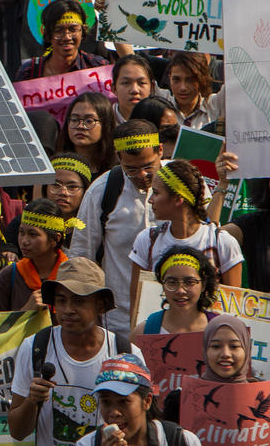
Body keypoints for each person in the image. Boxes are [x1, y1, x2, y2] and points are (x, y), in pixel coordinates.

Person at [8, 257, 142, 446]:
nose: (68, 310)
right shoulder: (35, 347)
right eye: (61, 300)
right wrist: (32, 401)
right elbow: (17, 432)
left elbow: (139, 432)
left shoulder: (126, 354)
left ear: (100, 305)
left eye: (79, 301)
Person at [70, 120, 163, 338]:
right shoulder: (101, 192)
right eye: (131, 169)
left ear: (160, 151)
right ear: (118, 156)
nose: (141, 176)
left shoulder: (183, 183)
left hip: (175, 319)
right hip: (118, 322)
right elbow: (81, 257)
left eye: (148, 166)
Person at [73, 354, 213, 446]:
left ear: (147, 401)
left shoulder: (182, 442)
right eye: (106, 402)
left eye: (123, 401)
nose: (114, 412)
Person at [128, 160, 243, 310]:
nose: (150, 200)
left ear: (178, 199)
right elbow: (137, 305)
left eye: (156, 193)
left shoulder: (223, 242)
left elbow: (234, 309)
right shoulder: (146, 240)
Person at [0, 198, 77, 311]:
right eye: (21, 232)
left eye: (33, 234)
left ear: (55, 239)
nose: (24, 241)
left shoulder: (74, 275)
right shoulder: (9, 276)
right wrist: (27, 311)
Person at [15, 0, 109, 81]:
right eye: (59, 30)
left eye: (73, 29)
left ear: (83, 31)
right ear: (47, 33)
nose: (67, 37)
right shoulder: (29, 71)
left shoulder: (97, 66)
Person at [138, 247, 219, 335]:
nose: (180, 290)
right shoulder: (144, 331)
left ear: (203, 285)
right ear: (162, 285)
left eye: (189, 282)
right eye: (172, 282)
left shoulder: (220, 330)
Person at [55, 93, 117, 177]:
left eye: (89, 121)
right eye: (74, 120)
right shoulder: (54, 167)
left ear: (106, 125)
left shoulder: (118, 169)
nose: (80, 126)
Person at [165, 52, 223, 128]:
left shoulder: (215, 106)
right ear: (169, 78)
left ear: (203, 80)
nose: (183, 88)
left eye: (190, 80)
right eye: (176, 79)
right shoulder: (161, 105)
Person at [111, 55, 159, 124]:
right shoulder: (103, 121)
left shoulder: (161, 121)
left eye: (141, 83)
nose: (134, 90)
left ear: (151, 87)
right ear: (114, 88)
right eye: (126, 83)